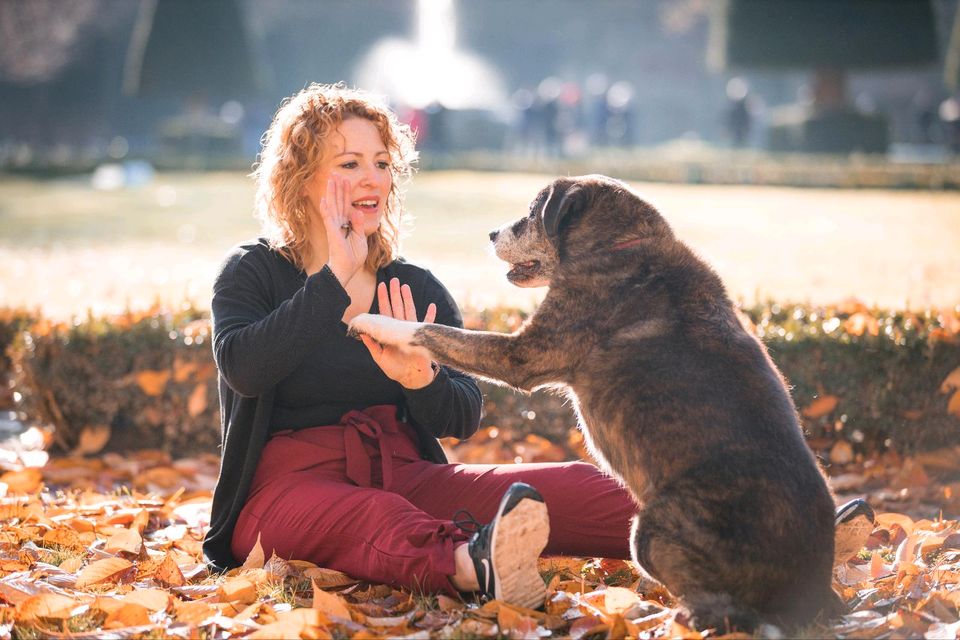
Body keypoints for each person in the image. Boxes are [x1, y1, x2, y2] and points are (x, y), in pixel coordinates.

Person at [202, 83, 874, 609]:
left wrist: (420, 381)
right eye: (350, 163)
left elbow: (460, 416)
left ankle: (789, 544)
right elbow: (246, 369)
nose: (373, 177)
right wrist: (332, 285)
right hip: (281, 492)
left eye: (382, 161)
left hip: (406, 473)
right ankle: (475, 566)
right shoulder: (253, 272)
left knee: (580, 487)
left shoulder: (412, 284)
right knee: (376, 517)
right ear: (302, 177)